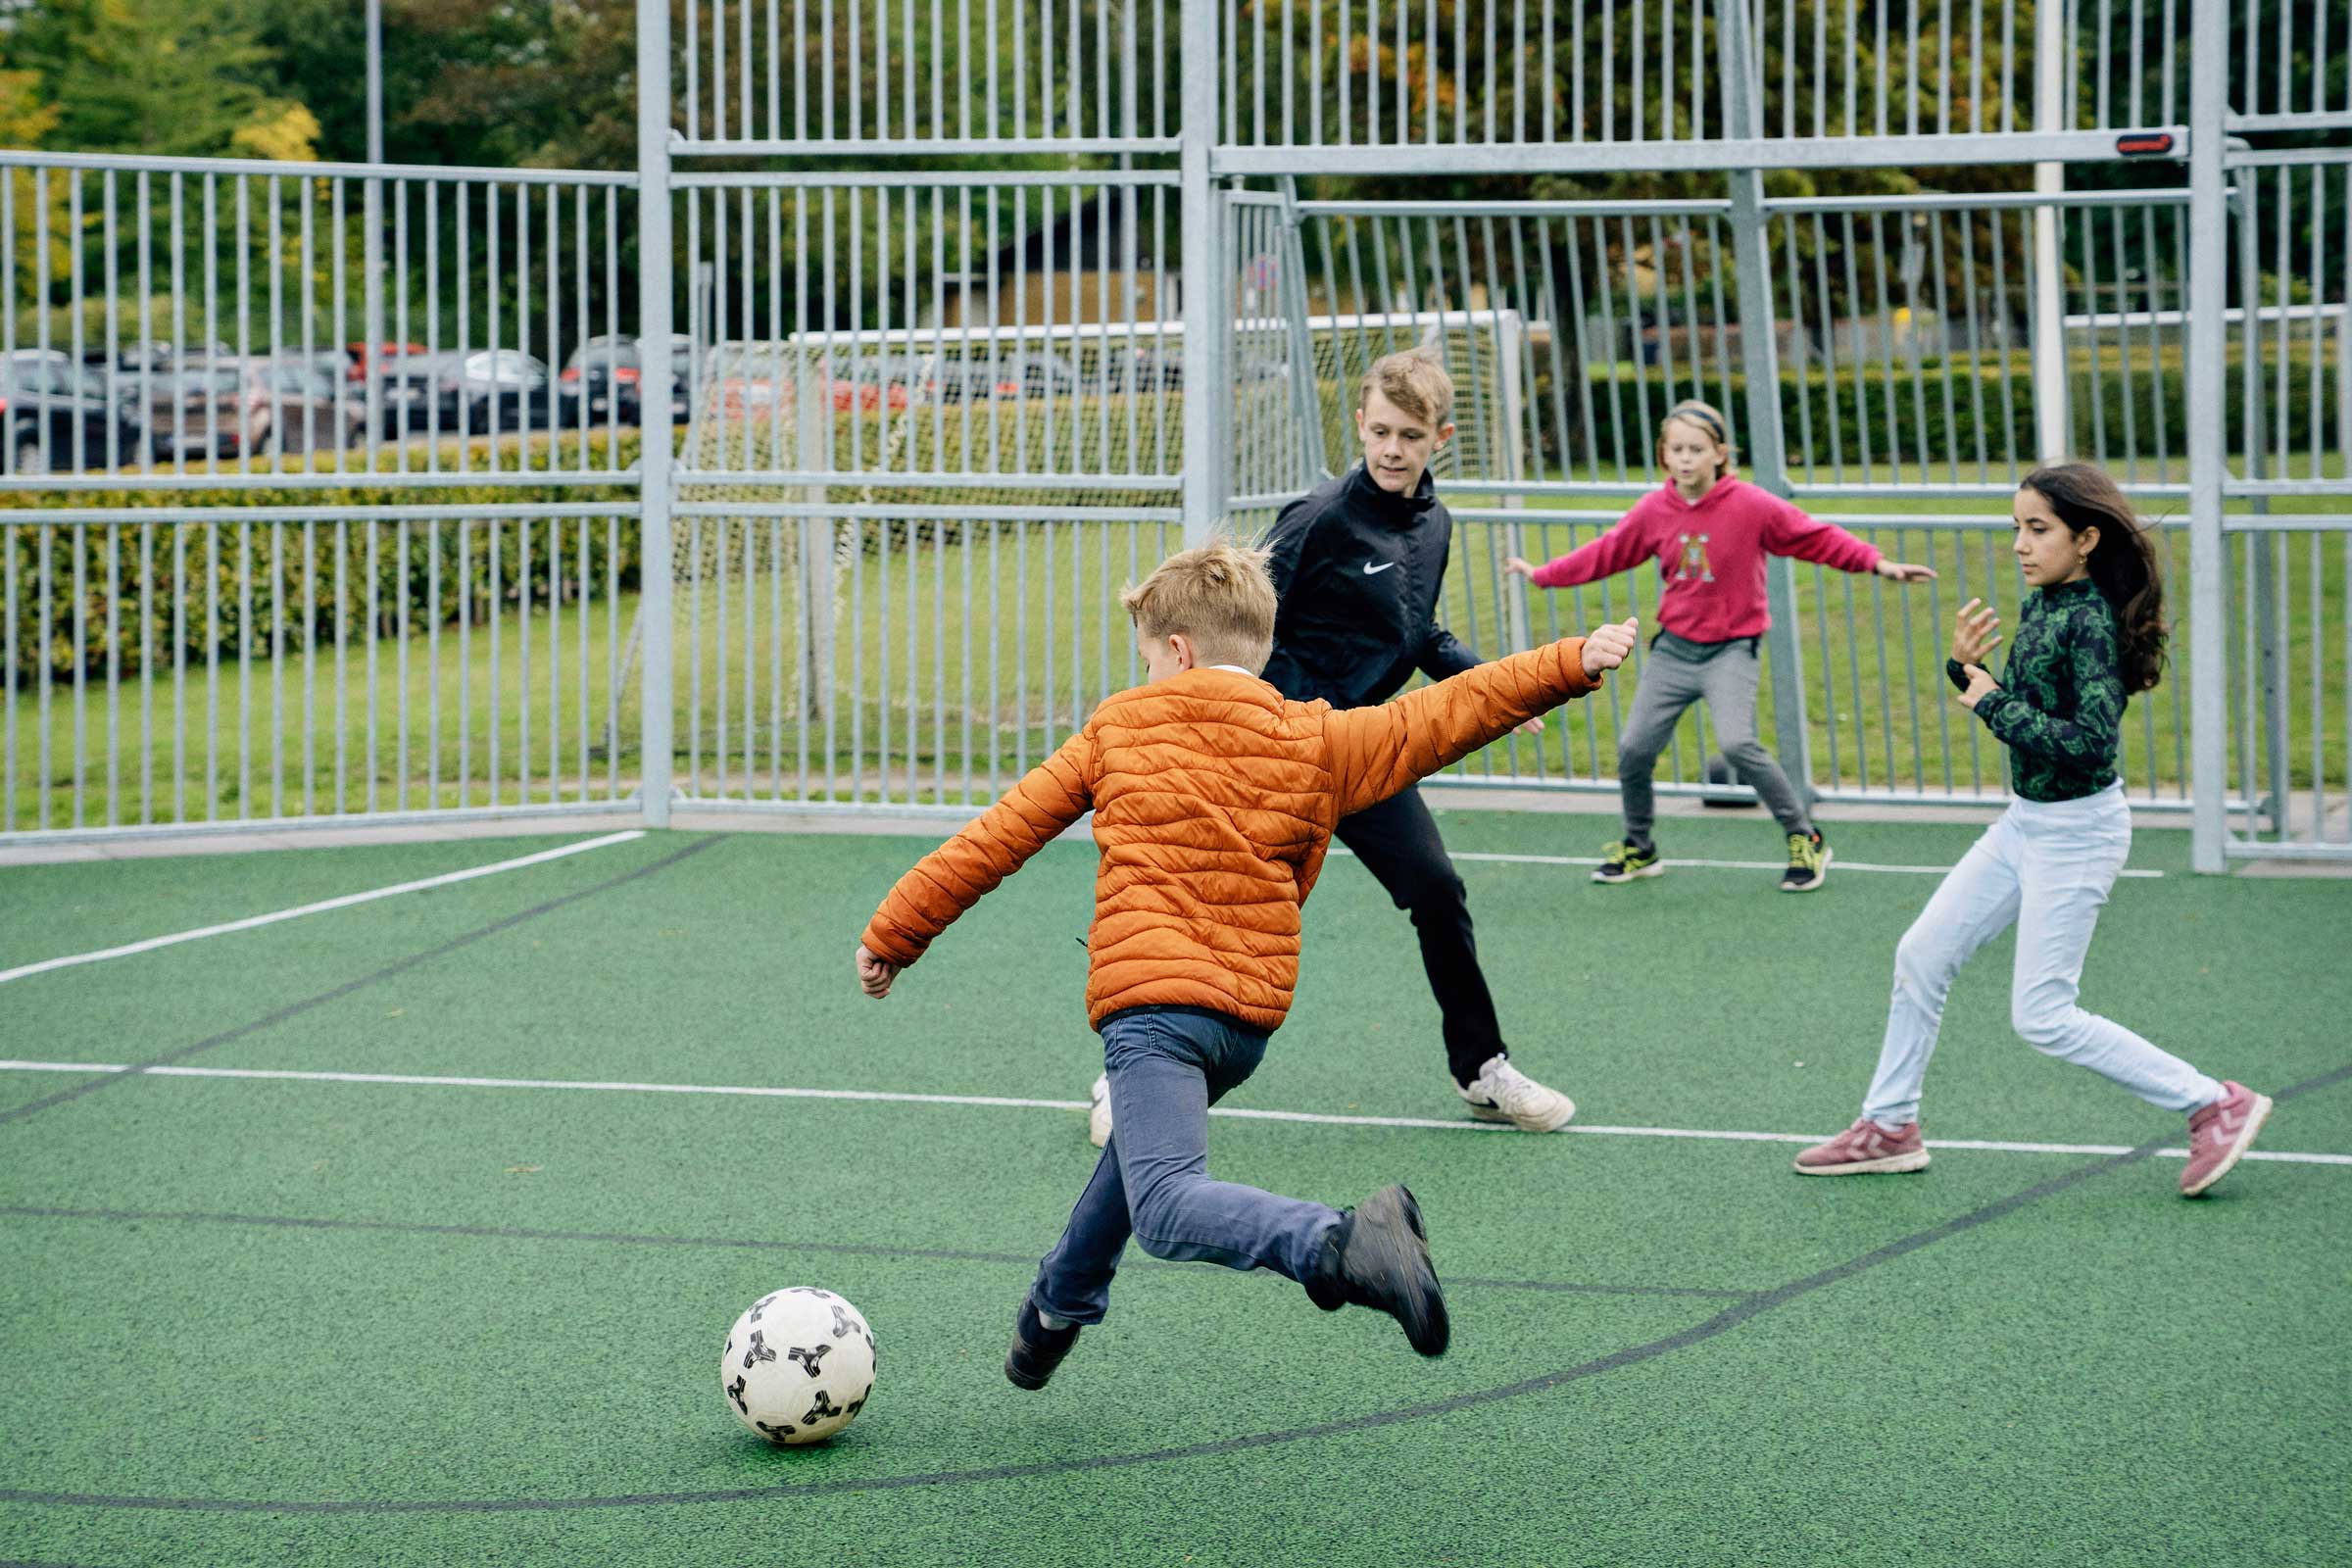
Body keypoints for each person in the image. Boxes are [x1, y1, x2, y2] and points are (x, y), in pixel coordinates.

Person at [855, 540, 1637, 1388]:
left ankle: (1339, 1243)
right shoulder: (1314, 734)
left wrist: (894, 935)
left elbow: (997, 837)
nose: (1146, 673)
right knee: (1135, 1163)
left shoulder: (1118, 727)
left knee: (1162, 1203)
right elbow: (1441, 715)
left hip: (1152, 1007)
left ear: (1177, 651)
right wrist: (1567, 662)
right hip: (1244, 1022)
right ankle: (1057, 1304)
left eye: (1148, 656)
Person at [1093, 347, 1579, 1147]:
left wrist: (1499, 685)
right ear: (1359, 424)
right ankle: (1127, 1077)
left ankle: (1483, 1068)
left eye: (1411, 436)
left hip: (1358, 748)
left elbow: (1418, 629)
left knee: (1436, 889)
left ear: (1440, 439)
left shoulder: (1436, 525)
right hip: (1271, 746)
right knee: (1209, 909)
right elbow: (1234, 607)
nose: (1392, 449)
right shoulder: (1318, 518)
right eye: (1380, 431)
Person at [1792, 463, 2271, 1197]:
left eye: (2037, 529)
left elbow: (2088, 743)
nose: (2020, 543)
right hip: (2026, 825)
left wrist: (1987, 702)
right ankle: (1890, 1127)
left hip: (2078, 833)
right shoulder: (2048, 601)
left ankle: (2214, 1103)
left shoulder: (2089, 621)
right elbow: (2021, 707)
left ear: (2086, 539)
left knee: (2043, 1015)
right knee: (1922, 954)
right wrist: (1964, 669)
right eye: (2016, 527)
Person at [1505, 398, 1936, 891]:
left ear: (1720, 454)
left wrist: (1877, 564)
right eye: (1676, 449)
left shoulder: (1751, 505)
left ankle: (1806, 837)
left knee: (1736, 742)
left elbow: (1814, 536)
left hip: (1731, 649)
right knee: (1634, 750)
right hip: (1674, 651)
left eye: (1697, 448)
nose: (1686, 458)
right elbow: (1606, 552)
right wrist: (1541, 575)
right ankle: (1639, 848)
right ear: (1664, 456)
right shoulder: (1654, 510)